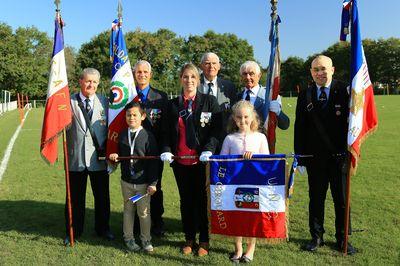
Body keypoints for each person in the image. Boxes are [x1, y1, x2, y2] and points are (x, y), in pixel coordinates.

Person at [294, 55, 356, 254]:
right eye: (315, 70)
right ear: (311, 73)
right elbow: (299, 127)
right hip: (315, 158)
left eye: (323, 69)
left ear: (332, 69)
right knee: (316, 198)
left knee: (341, 200)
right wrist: (300, 156)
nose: (319, 73)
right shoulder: (305, 94)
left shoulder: (347, 91)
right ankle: (316, 237)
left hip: (339, 157)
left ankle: (342, 238)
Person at [160, 63, 221, 256]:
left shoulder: (209, 101)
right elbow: (166, 132)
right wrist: (167, 149)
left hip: (201, 162)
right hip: (180, 163)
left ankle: (204, 239)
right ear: (181, 79)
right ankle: (189, 238)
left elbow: (217, 130)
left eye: (193, 77)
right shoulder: (172, 105)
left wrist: (209, 150)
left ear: (198, 79)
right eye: (185, 77)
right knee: (185, 201)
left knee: (201, 201)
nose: (189, 81)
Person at [64, 68, 114, 245]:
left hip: (98, 160)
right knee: (74, 198)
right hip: (75, 158)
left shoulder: (106, 102)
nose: (91, 85)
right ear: (80, 81)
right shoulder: (67, 101)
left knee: (102, 198)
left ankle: (103, 229)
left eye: (94, 82)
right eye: (87, 81)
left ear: (98, 84)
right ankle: (73, 230)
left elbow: (112, 129)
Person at [220, 100, 269, 263]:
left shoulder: (261, 137)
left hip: (254, 186)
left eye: (246, 117)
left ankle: (250, 249)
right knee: (237, 216)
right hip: (234, 186)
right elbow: (222, 162)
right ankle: (238, 248)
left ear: (253, 117)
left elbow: (267, 162)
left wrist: (254, 158)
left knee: (252, 217)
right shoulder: (229, 139)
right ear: (234, 118)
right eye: (239, 117)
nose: (243, 120)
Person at [109, 101, 158, 253]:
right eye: (128, 115)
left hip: (142, 184)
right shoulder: (123, 134)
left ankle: (146, 240)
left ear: (143, 116)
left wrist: (153, 183)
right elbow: (119, 154)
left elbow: (153, 163)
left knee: (143, 212)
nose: (131, 118)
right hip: (127, 183)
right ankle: (128, 238)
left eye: (135, 115)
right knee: (128, 210)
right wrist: (115, 155)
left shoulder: (148, 136)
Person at [132, 60, 168, 237]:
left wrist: (164, 149)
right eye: (139, 72)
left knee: (155, 187)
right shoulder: (128, 96)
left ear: (150, 74)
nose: (142, 74)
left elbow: (166, 127)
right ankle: (138, 222)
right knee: (136, 187)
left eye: (145, 72)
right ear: (134, 74)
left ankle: (157, 222)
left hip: (155, 153)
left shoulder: (161, 97)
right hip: (133, 152)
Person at [238, 61, 289, 132]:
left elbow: (285, 125)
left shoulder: (270, 96)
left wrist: (278, 112)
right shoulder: (237, 97)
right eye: (244, 74)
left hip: (263, 141)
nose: (248, 77)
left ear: (259, 75)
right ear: (241, 76)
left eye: (251, 74)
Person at [199, 52, 237, 144]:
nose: (211, 66)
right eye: (207, 63)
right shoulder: (193, 84)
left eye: (214, 63)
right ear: (201, 66)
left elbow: (234, 112)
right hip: (200, 138)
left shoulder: (229, 87)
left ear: (219, 66)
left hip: (224, 138)